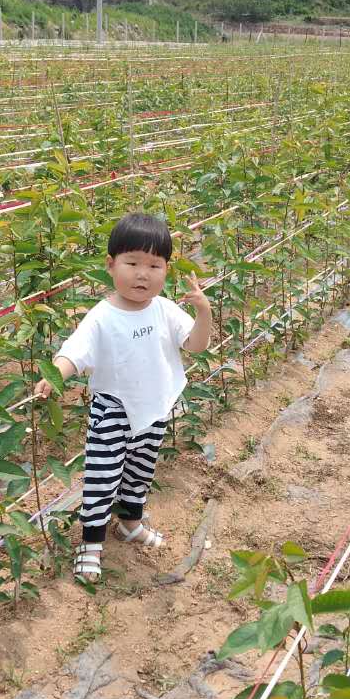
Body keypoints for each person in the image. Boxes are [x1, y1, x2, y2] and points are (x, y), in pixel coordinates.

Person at [34, 212, 212, 583]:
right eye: (132, 263)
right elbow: (74, 351)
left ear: (166, 270)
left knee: (140, 472)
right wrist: (54, 377)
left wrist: (203, 312)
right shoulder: (102, 317)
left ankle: (130, 524)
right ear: (111, 266)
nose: (142, 274)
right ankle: (91, 545)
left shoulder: (164, 310)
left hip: (153, 409)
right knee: (102, 478)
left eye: (154, 265)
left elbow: (195, 346)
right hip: (113, 410)